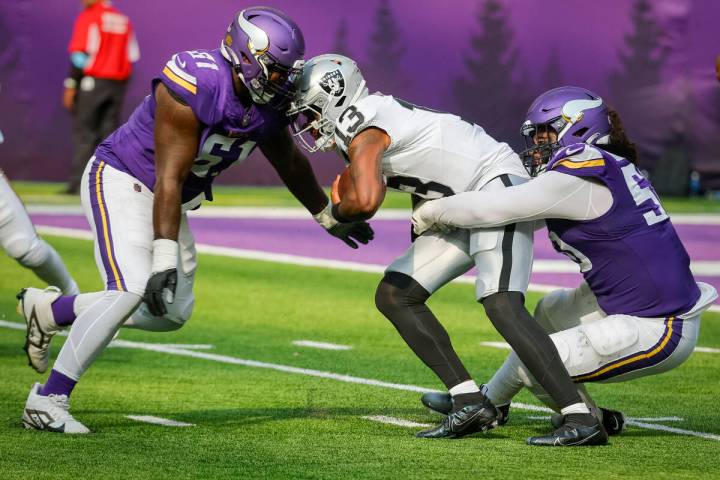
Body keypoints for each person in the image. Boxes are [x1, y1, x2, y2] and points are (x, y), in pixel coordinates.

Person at [18, 8, 373, 434]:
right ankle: (48, 399)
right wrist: (164, 255)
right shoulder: (197, 79)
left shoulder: (270, 103)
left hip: (171, 198)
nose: (279, 84)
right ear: (245, 55)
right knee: (131, 288)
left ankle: (53, 310)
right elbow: (168, 175)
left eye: (284, 75)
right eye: (273, 72)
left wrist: (325, 214)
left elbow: (289, 161)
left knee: (169, 313)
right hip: (124, 179)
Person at [287, 55, 604, 444]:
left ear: (333, 95)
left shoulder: (362, 121)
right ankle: (469, 400)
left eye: (309, 112)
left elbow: (367, 200)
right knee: (396, 293)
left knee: (501, 302)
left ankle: (580, 416)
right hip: (461, 200)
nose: (307, 123)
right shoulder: (364, 121)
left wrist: (338, 212)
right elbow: (427, 175)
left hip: (496, 187)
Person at [412, 86, 718, 445]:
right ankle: (499, 404)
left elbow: (500, 207)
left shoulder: (584, 167)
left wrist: (433, 211)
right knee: (549, 312)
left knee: (538, 360)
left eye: (547, 130)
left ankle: (571, 420)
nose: (540, 141)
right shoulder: (602, 168)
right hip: (627, 305)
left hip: (659, 325)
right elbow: (519, 212)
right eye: (537, 133)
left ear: (580, 128)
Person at [64, 0, 140, 194]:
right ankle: (109, 185)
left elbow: (79, 55)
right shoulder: (123, 20)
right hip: (117, 84)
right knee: (109, 135)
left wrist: (71, 84)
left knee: (85, 132)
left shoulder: (90, 17)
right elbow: (132, 57)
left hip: (93, 81)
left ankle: (79, 185)